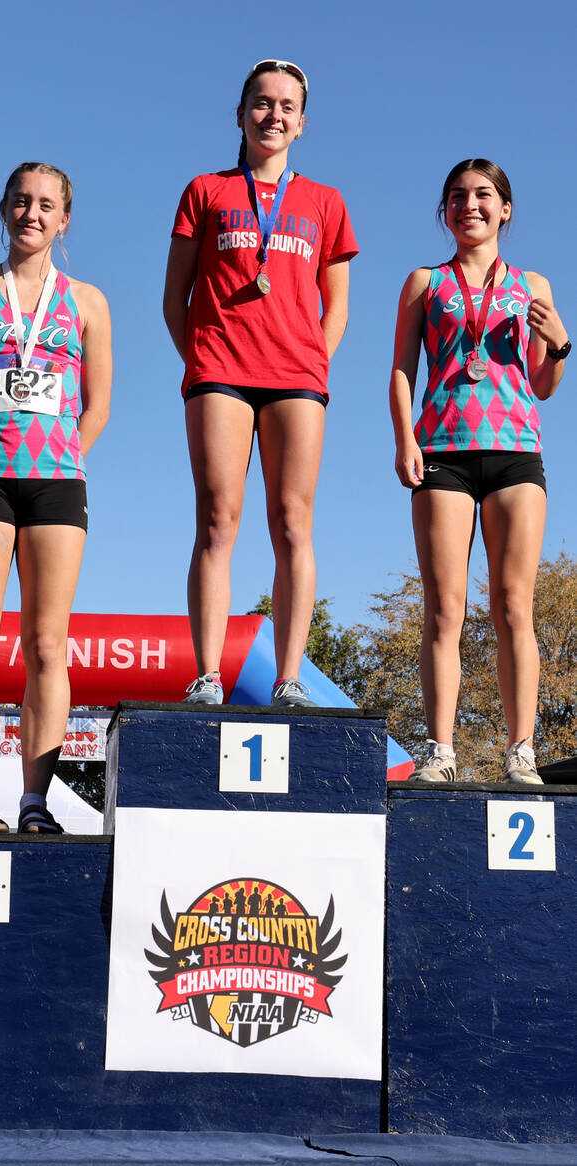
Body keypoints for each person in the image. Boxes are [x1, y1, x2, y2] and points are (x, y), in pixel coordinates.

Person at [163, 59, 358, 707]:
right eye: (262, 103)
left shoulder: (326, 201)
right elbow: (175, 297)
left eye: (286, 106)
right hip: (219, 372)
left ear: (302, 124)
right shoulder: (205, 190)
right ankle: (208, 676)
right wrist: (202, 361)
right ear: (241, 113)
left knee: (293, 524)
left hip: (297, 380)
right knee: (218, 520)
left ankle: (289, 677)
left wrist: (311, 362)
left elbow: (339, 307)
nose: (273, 115)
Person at [0, 162, 112, 832]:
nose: (32, 214)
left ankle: (34, 802)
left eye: (46, 205)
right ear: (3, 209)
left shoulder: (87, 302)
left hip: (57, 483)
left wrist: (62, 454)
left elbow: (97, 406)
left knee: (47, 643)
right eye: (21, 201)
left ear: (64, 219)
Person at [390, 158, 569, 784]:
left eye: (484, 195)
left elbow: (544, 385)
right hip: (442, 451)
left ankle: (522, 752)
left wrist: (562, 343)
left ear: (506, 209)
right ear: (445, 211)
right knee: (444, 607)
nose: (471, 205)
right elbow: (402, 369)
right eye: (459, 196)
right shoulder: (424, 282)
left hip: (516, 451)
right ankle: (441, 750)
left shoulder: (533, 284)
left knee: (513, 604)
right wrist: (403, 438)